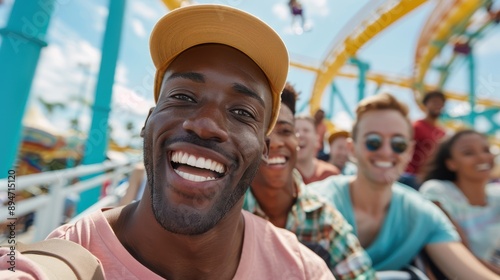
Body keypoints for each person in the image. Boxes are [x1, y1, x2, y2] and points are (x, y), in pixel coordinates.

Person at [45, 5, 332, 279]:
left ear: (264, 150)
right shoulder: (67, 256)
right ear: (148, 122)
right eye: (182, 96)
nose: (206, 125)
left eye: (242, 112)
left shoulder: (302, 270)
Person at [308, 93, 500, 279]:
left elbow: (468, 272)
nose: (385, 152)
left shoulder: (420, 213)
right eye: (373, 142)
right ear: (352, 148)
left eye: (398, 144)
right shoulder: (316, 202)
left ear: (409, 151)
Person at [243, 84, 375, 279]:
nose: (275, 142)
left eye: (285, 131)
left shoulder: (322, 217)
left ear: (299, 144)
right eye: (261, 132)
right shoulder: (225, 210)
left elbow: (361, 274)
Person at [420, 130, 500, 275]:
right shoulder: (438, 192)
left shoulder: (497, 194)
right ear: (451, 164)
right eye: (469, 153)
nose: (482, 157)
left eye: (486, 150)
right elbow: (463, 255)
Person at [399, 90, 446, 190]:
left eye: (441, 103)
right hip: (411, 177)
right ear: (426, 104)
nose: (438, 105)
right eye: (435, 102)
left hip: (431, 179)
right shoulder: (416, 127)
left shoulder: (442, 133)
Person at [295, 114, 340, 184]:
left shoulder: (331, 174)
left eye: (306, 130)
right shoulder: (280, 174)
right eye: (295, 131)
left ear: (317, 139)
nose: (300, 135)